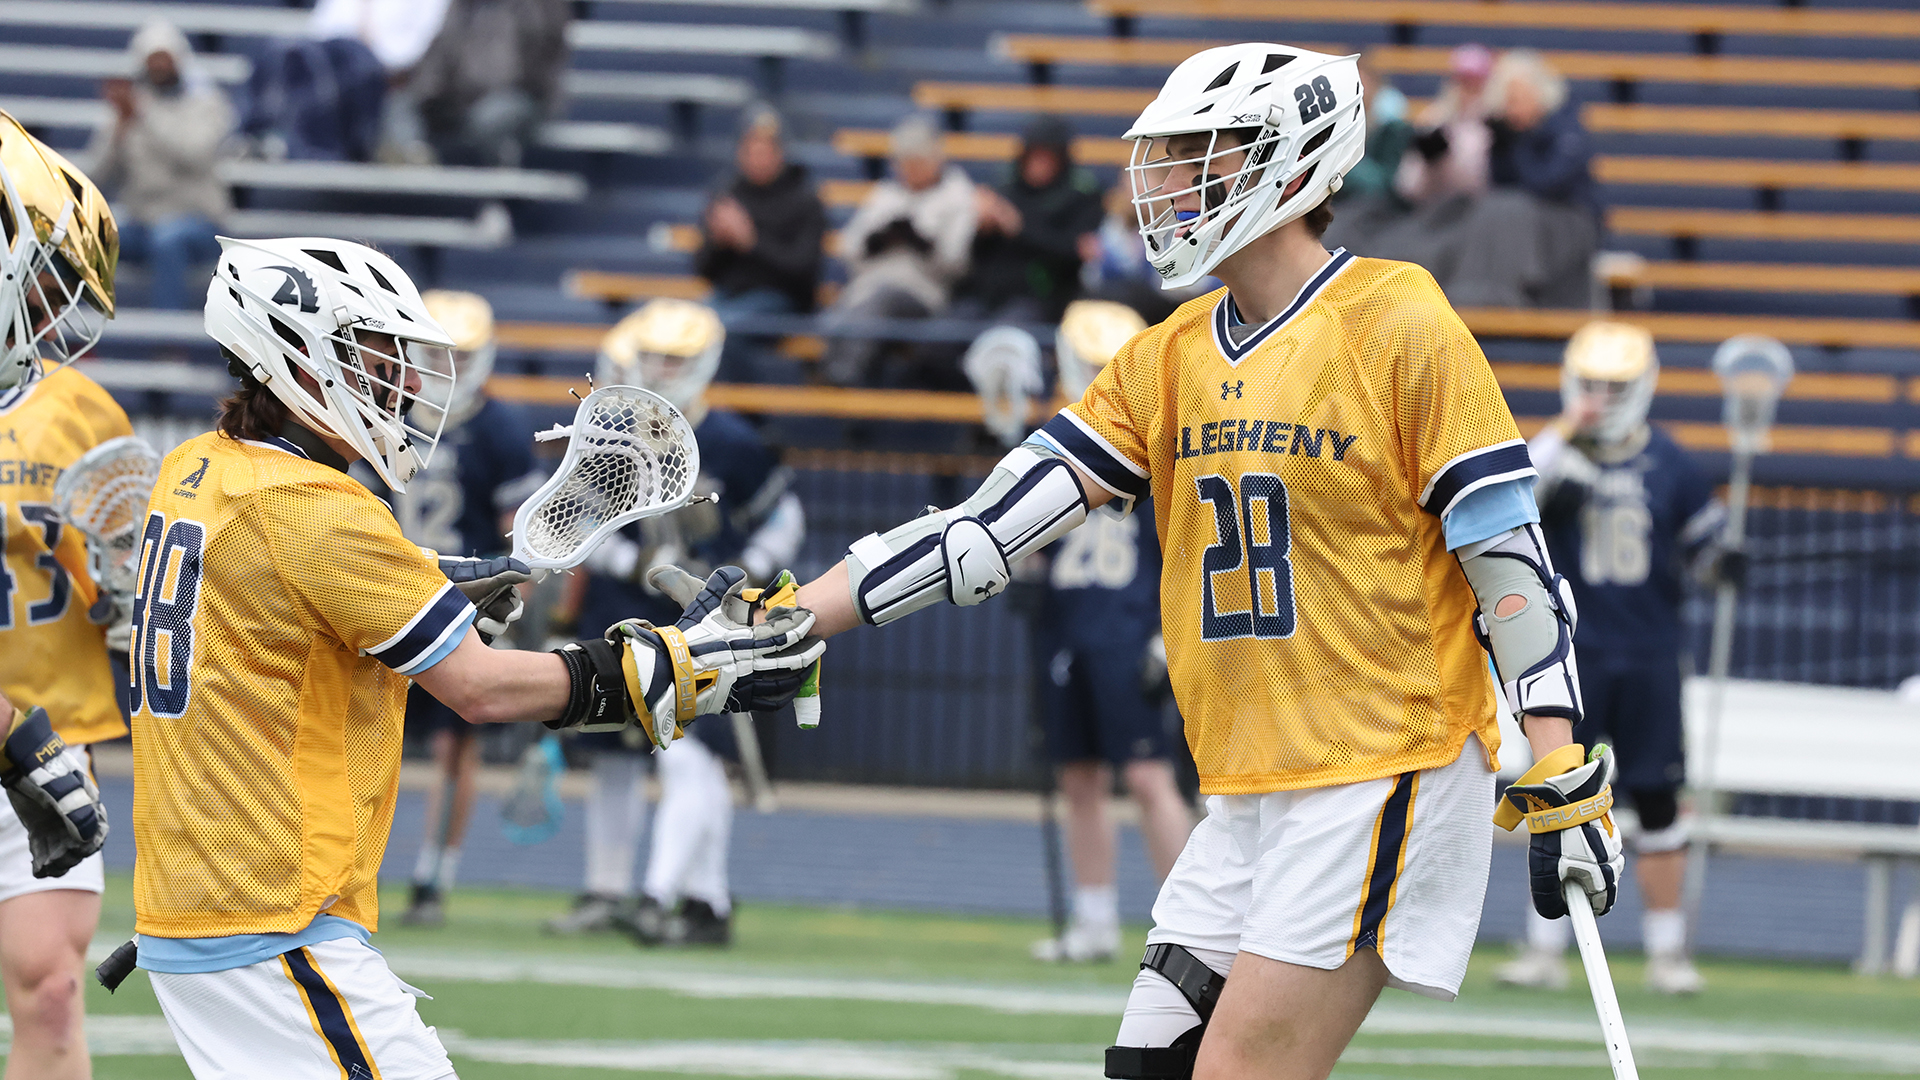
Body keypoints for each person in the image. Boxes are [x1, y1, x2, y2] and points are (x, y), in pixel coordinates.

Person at [779, 44, 1624, 1080]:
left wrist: (1560, 763)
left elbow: (1510, 564)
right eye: (1167, 154)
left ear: (1288, 163)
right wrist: (789, 620)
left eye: (1193, 153)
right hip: (1251, 789)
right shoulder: (1166, 354)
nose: (1166, 180)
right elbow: (984, 532)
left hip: (1382, 763)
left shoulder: (1399, 323)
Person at [125, 237, 821, 1077]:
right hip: (273, 914)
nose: (403, 382)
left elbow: (279, 603)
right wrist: (674, 667)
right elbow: (481, 690)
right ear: (298, 365)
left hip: (197, 902)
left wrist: (431, 579)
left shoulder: (194, 467)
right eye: (372, 355)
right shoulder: (314, 507)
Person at [547, 298, 806, 945]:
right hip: (622, 610)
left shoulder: (734, 443)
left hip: (704, 619)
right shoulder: (612, 437)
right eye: (656, 355)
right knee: (613, 756)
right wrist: (637, 561)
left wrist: (748, 565)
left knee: (692, 756)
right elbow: (573, 524)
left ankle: (674, 896)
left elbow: (785, 518)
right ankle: (630, 893)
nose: (663, 369)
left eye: (677, 359)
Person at [1499, 321, 1730, 996]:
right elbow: (1516, 506)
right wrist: (1565, 436)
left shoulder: (1673, 464)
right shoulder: (1555, 454)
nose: (1598, 397)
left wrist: (1724, 565)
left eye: (1613, 386)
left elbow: (1705, 554)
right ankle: (1543, 948)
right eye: (1590, 383)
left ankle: (1666, 953)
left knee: (1657, 799)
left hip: (1651, 652)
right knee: (1558, 794)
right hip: (1571, 653)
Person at [0, 114, 122, 1080]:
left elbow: (122, 567)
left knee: (49, 988)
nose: (49, 306)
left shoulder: (79, 407)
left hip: (46, 729)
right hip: (20, 734)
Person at [1027, 300, 1193, 964]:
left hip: (1130, 629)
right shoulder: (1047, 438)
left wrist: (1167, 636)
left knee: (1151, 777)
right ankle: (1094, 920)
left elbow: (1184, 546)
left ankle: (1191, 926)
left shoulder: (1163, 441)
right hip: (1066, 624)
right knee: (1079, 777)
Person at [390, 290, 544, 928]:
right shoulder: (390, 416)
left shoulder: (501, 430)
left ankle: (433, 874)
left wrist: (510, 609)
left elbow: (522, 539)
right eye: (432, 353)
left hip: (464, 608)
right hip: (388, 596)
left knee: (457, 747)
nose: (443, 367)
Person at [819, 113, 976, 387]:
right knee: (839, 312)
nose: (910, 170)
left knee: (880, 301)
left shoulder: (957, 195)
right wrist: (878, 242)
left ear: (934, 160)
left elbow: (958, 263)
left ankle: (843, 375)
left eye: (917, 162)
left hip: (922, 293)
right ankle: (834, 378)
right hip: (868, 286)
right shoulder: (886, 194)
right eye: (905, 163)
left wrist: (920, 244)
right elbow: (849, 247)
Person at [86, 21, 234, 310]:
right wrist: (118, 129)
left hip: (198, 221)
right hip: (143, 223)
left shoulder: (207, 104)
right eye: (152, 60)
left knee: (168, 241)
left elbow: (194, 154)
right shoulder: (128, 111)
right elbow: (96, 176)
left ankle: (168, 348)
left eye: (164, 59)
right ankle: (84, 336)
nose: (158, 67)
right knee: (91, 236)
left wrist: (143, 115)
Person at [696, 106, 827, 382]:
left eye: (764, 150)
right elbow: (703, 270)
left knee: (724, 331)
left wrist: (751, 241)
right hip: (728, 296)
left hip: (782, 300)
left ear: (780, 152)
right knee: (684, 330)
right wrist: (719, 242)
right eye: (750, 149)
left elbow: (804, 271)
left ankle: (750, 419)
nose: (757, 158)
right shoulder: (728, 193)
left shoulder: (803, 199)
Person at [954, 115, 1105, 325]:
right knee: (948, 329)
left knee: (1004, 333)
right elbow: (976, 256)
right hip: (985, 295)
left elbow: (1075, 253)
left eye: (1047, 157)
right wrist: (983, 230)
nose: (1039, 165)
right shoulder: (1004, 186)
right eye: (1034, 156)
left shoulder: (1082, 194)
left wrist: (1018, 226)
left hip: (1041, 296)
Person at [405, 0, 571, 167]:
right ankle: (412, 173)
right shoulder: (459, 7)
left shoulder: (540, 5)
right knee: (405, 106)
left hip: (522, 96)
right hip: (459, 99)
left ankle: (500, 179)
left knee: (490, 118)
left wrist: (507, 86)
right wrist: (430, 94)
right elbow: (439, 54)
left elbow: (545, 55)